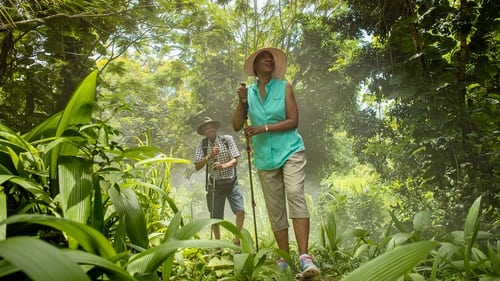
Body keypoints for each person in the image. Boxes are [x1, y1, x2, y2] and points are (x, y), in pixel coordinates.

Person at [232, 47, 320, 277]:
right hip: (264, 157)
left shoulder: (284, 87)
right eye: (263, 58)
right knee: (275, 208)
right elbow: (236, 125)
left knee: (294, 193)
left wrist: (264, 128)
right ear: (255, 67)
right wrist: (241, 103)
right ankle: (285, 257)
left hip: (290, 150)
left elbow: (293, 120)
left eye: (270, 58)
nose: (268, 60)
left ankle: (304, 257)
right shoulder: (247, 93)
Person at [194, 117, 245, 245]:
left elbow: (235, 160)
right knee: (215, 219)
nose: (209, 129)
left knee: (240, 211)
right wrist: (209, 156)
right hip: (215, 184)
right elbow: (197, 166)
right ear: (204, 132)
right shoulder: (202, 145)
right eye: (206, 128)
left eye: (211, 127)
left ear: (215, 128)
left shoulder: (227, 140)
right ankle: (218, 245)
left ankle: (237, 240)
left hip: (231, 181)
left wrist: (223, 165)